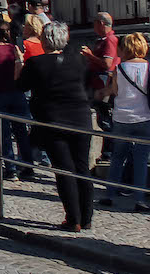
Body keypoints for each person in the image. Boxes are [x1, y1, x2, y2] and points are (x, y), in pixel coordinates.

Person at [18, 21, 93, 232]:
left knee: (64, 170)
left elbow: (21, 86)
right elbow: (86, 85)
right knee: (82, 168)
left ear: (45, 40)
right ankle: (86, 217)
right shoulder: (79, 60)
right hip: (80, 118)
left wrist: (17, 63)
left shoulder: (36, 63)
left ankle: (73, 218)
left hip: (53, 120)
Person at [98, 32, 150, 212]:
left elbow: (115, 91)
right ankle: (139, 199)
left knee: (118, 157)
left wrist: (103, 92)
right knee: (141, 159)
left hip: (123, 117)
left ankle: (110, 194)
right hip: (146, 117)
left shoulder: (120, 69)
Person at [0, 20, 34, 182]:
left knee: (3, 132)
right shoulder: (14, 49)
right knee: (21, 131)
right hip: (16, 92)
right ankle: (27, 165)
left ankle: (10, 169)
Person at [81, 12, 118, 163]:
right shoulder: (103, 40)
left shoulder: (109, 40)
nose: (93, 26)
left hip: (103, 85)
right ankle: (108, 151)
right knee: (103, 119)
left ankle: (110, 152)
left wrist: (90, 56)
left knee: (106, 120)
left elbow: (108, 64)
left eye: (95, 22)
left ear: (102, 23)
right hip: (98, 83)